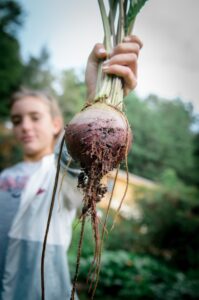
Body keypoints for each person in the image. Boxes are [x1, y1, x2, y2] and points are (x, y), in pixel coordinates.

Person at [0, 35, 143, 300]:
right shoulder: (5, 176)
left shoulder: (60, 173)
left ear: (57, 125)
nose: (25, 126)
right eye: (17, 120)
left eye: (35, 117)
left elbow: (73, 161)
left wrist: (94, 97)